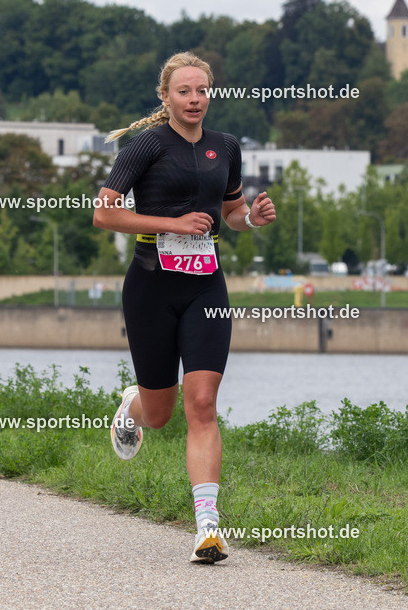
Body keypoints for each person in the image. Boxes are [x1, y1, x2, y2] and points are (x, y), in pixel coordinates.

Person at [92, 51, 275, 563]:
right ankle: (132, 406)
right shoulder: (146, 145)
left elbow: (231, 213)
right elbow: (104, 214)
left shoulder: (227, 146)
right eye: (184, 92)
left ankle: (208, 527)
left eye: (201, 91)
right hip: (150, 286)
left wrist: (252, 219)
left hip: (205, 287)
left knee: (202, 403)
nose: (194, 100)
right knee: (160, 413)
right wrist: (171, 224)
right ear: (166, 97)